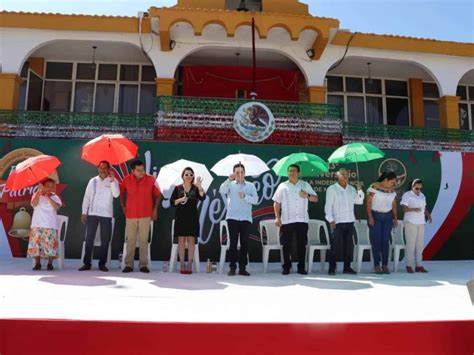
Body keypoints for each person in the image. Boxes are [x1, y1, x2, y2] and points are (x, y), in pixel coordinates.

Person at [273, 164, 318, 275]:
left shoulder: (304, 185)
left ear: (299, 173)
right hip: (287, 220)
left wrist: (307, 195)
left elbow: (316, 199)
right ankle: (286, 267)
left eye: (294, 171)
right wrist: (277, 217)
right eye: (290, 171)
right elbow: (276, 202)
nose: (292, 173)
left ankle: (301, 267)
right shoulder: (282, 186)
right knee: (286, 244)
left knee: (302, 244)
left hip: (302, 220)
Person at [120, 160, 161, 273]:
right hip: (130, 214)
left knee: (143, 240)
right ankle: (129, 265)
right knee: (131, 240)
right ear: (132, 171)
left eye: (142, 170)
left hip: (145, 214)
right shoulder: (126, 180)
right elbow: (122, 192)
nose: (141, 172)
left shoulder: (151, 179)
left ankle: (143, 265)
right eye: (138, 170)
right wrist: (123, 205)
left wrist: (155, 209)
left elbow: (158, 195)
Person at [79, 161, 120, 272]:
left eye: (105, 167)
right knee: (89, 239)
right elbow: (86, 197)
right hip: (92, 214)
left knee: (105, 240)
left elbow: (116, 194)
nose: (103, 169)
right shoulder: (92, 181)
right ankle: (87, 263)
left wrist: (112, 180)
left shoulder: (113, 181)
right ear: (97, 168)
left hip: (106, 214)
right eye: (101, 167)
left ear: (109, 169)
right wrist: (84, 212)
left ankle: (102, 264)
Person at [219, 163, 258, 276]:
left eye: (241, 172)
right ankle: (232, 267)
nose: (239, 174)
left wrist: (245, 196)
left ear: (245, 173)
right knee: (233, 243)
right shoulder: (230, 185)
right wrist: (228, 179)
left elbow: (255, 200)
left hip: (245, 218)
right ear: (234, 173)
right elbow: (222, 190)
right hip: (232, 217)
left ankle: (242, 268)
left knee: (245, 243)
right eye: (237, 172)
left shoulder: (250, 186)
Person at [325, 168, 364, 276]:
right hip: (337, 222)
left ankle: (347, 267)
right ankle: (332, 268)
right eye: (342, 174)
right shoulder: (332, 189)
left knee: (348, 246)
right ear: (337, 175)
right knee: (335, 246)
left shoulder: (351, 189)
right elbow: (328, 206)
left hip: (349, 221)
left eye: (347, 174)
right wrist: (331, 220)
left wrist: (359, 190)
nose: (345, 176)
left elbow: (359, 201)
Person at [170, 167, 205, 275]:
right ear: (183, 176)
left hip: (192, 218)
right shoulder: (177, 188)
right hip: (180, 218)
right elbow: (172, 202)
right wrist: (180, 199)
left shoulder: (195, 188)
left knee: (191, 240)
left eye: (191, 174)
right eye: (187, 174)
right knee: (181, 240)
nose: (189, 176)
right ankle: (182, 263)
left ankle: (189, 263)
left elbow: (203, 197)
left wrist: (200, 188)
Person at [366, 171, 398, 274]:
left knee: (385, 242)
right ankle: (376, 265)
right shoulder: (373, 187)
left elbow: (393, 204)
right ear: (385, 180)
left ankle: (385, 265)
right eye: (392, 182)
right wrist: (370, 217)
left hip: (388, 217)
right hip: (376, 216)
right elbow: (368, 203)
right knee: (376, 241)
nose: (393, 184)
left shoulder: (392, 190)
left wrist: (395, 218)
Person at [27, 178, 62, 271]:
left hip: (50, 225)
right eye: (47, 186)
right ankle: (37, 263)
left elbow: (57, 207)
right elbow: (33, 204)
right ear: (43, 186)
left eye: (51, 187)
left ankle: (50, 264)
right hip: (37, 224)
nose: (49, 189)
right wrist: (39, 192)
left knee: (50, 245)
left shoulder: (55, 197)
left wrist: (48, 196)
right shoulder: (37, 195)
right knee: (36, 245)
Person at [400, 179, 432, 273]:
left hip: (421, 222)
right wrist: (414, 209)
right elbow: (404, 208)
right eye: (417, 188)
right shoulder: (407, 195)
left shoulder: (422, 195)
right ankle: (409, 265)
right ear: (412, 187)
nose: (419, 190)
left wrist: (428, 215)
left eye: (420, 188)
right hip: (410, 222)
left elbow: (424, 207)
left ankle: (419, 265)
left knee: (419, 245)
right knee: (411, 244)